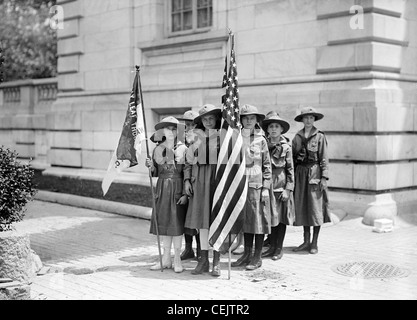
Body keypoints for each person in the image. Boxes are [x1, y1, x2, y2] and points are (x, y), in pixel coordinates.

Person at [145, 116, 188, 272]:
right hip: (163, 188)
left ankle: (177, 259)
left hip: (177, 187)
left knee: (176, 224)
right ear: (162, 130)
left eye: (174, 128)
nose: (171, 131)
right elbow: (155, 172)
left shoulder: (183, 148)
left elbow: (187, 173)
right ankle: (165, 259)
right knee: (164, 224)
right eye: (168, 128)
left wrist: (185, 193)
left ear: (178, 131)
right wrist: (151, 167)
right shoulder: (158, 149)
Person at [231, 104, 272, 271]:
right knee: (246, 222)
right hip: (241, 186)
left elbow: (267, 166)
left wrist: (265, 188)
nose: (248, 121)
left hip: (256, 186)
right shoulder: (236, 138)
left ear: (256, 120)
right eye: (245, 117)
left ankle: (257, 256)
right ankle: (246, 254)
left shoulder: (261, 140)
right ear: (240, 120)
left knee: (258, 222)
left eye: (252, 118)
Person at [184, 104, 222, 276]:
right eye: (204, 119)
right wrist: (187, 181)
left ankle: (217, 261)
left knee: (217, 220)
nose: (208, 121)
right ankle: (204, 260)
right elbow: (188, 163)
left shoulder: (222, 139)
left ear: (216, 120)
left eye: (211, 118)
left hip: (216, 182)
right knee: (202, 223)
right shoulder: (195, 139)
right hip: (199, 183)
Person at [292, 106, 331, 254]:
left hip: (314, 174)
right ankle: (305, 241)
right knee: (303, 207)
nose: (308, 120)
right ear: (302, 120)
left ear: (314, 119)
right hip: (301, 174)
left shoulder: (319, 136)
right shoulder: (297, 137)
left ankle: (314, 243)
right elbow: (293, 158)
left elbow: (324, 158)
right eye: (306, 118)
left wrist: (324, 177)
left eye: (311, 118)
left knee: (315, 209)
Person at [261, 111, 295, 261]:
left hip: (280, 186)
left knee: (280, 219)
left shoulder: (286, 147)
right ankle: (271, 246)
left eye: (277, 126)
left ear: (281, 130)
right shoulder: (263, 144)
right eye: (271, 126)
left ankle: (278, 249)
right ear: (267, 129)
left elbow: (290, 170)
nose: (274, 129)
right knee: (270, 218)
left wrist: (288, 189)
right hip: (266, 185)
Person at [176, 110, 201, 261]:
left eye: (192, 124)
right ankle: (188, 248)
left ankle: (200, 250)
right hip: (179, 182)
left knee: (196, 217)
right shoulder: (179, 141)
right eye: (186, 124)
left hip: (194, 181)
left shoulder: (199, 140)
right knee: (184, 218)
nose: (189, 127)